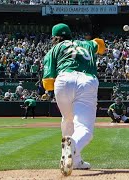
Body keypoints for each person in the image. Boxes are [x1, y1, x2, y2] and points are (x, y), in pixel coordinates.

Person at [42, 23, 106, 176]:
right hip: (86, 81)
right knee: (84, 128)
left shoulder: (53, 50)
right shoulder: (87, 43)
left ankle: (75, 160)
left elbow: (48, 83)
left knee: (68, 119)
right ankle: (73, 145)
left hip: (63, 81)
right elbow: (101, 45)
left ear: (55, 38)